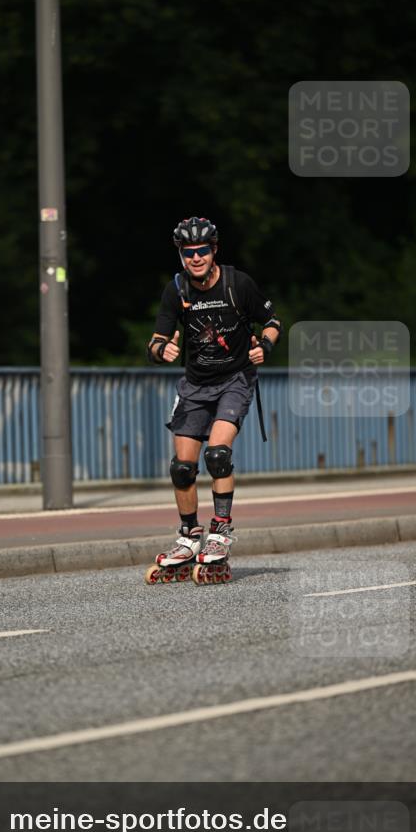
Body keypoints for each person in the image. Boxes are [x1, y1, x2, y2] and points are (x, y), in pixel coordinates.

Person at [146, 216, 281, 577]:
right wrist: (162, 351)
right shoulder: (177, 290)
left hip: (234, 380)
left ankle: (220, 532)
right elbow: (156, 340)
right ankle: (190, 535)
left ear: (214, 250)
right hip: (194, 385)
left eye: (202, 251)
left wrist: (265, 346)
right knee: (182, 468)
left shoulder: (238, 284)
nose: (196, 259)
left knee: (217, 455)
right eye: (189, 253)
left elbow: (273, 322)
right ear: (181, 255)